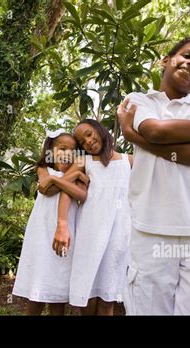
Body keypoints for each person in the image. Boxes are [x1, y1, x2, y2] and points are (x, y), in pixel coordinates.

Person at [117, 36, 190, 315]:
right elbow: (156, 131)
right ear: (166, 60)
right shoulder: (138, 100)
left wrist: (132, 134)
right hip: (151, 227)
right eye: (187, 55)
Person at [53, 119, 132, 316]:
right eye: (82, 141)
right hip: (90, 235)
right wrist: (62, 225)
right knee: (86, 297)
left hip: (118, 236)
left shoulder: (129, 161)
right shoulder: (84, 162)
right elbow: (65, 190)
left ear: (99, 130)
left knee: (107, 297)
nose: (87, 141)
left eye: (89, 134)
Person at [12, 129, 89, 315]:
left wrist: (61, 179)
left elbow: (81, 195)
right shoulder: (43, 169)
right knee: (38, 285)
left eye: (73, 151)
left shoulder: (78, 171)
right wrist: (69, 177)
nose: (67, 154)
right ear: (50, 150)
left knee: (58, 288)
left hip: (65, 233)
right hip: (41, 233)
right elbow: (47, 189)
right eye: (62, 149)